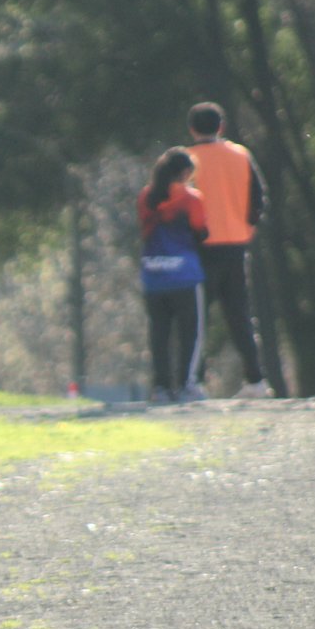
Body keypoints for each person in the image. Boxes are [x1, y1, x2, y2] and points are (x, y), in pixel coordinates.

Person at [184, 102, 271, 398]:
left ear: (192, 129)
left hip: (200, 248)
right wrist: (248, 227)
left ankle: (192, 380)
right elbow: (259, 197)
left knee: (196, 317)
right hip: (236, 244)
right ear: (221, 127)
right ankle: (256, 380)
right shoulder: (241, 155)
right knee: (239, 315)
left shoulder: (188, 160)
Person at [137, 148, 209, 403]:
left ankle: (161, 387)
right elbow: (201, 231)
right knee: (191, 332)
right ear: (186, 172)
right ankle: (187, 384)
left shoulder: (146, 196)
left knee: (159, 332)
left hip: (153, 273)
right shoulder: (191, 198)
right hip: (183, 274)